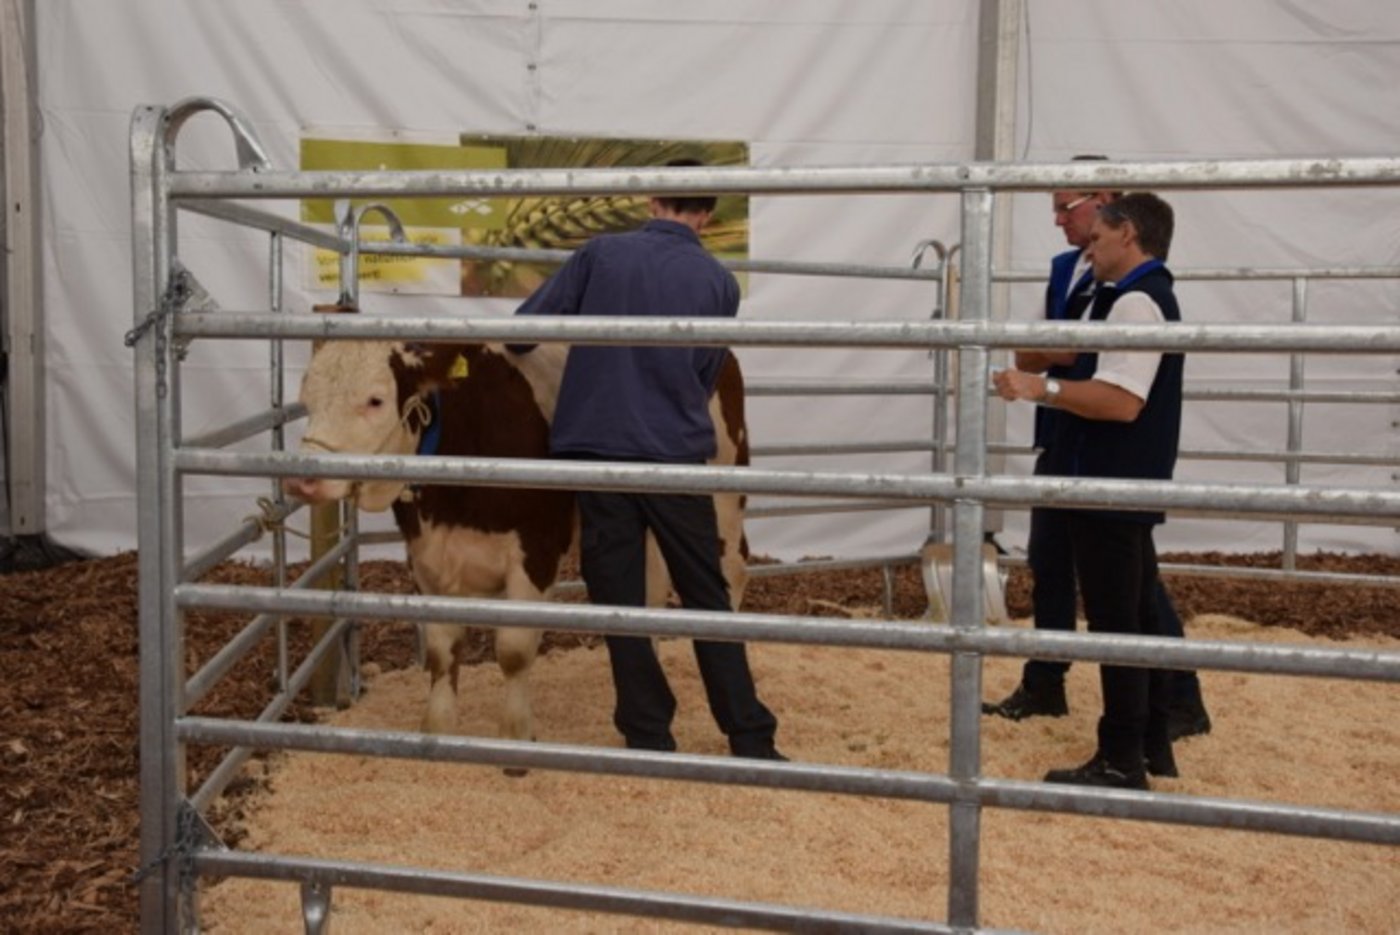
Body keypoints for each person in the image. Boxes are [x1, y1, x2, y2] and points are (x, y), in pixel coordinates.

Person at [511, 160, 784, 761]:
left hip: (598, 450)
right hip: (673, 453)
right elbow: (706, 371)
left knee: (620, 600)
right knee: (707, 594)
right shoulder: (720, 283)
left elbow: (523, 331)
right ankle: (750, 735)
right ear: (707, 215)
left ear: (652, 201)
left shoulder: (600, 254)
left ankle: (648, 732)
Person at [982, 161, 1211, 744]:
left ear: (1106, 204)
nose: (1060, 221)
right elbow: (1034, 349)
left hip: (1106, 444)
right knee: (1050, 561)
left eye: (1067, 207)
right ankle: (1047, 680)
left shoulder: (1131, 288)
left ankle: (1175, 699)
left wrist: (1057, 364)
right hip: (1065, 435)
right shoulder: (1069, 270)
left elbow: (1096, 371)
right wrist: (1062, 357)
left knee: (1129, 585)